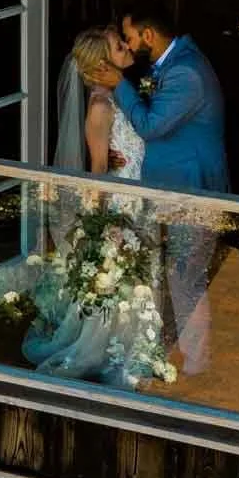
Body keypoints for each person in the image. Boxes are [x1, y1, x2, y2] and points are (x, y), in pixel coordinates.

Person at [87, 0, 228, 374]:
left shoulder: (186, 73)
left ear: (148, 34)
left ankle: (198, 365)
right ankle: (170, 348)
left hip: (191, 193)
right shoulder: (175, 63)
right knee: (172, 275)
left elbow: (150, 126)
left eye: (131, 38)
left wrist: (119, 85)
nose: (130, 46)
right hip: (167, 191)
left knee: (186, 279)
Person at [22, 27, 149, 383]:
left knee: (133, 273)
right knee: (118, 274)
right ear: (102, 64)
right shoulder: (99, 107)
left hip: (136, 193)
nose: (128, 48)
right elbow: (97, 173)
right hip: (120, 199)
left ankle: (130, 341)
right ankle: (101, 347)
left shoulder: (122, 96)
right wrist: (101, 223)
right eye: (119, 47)